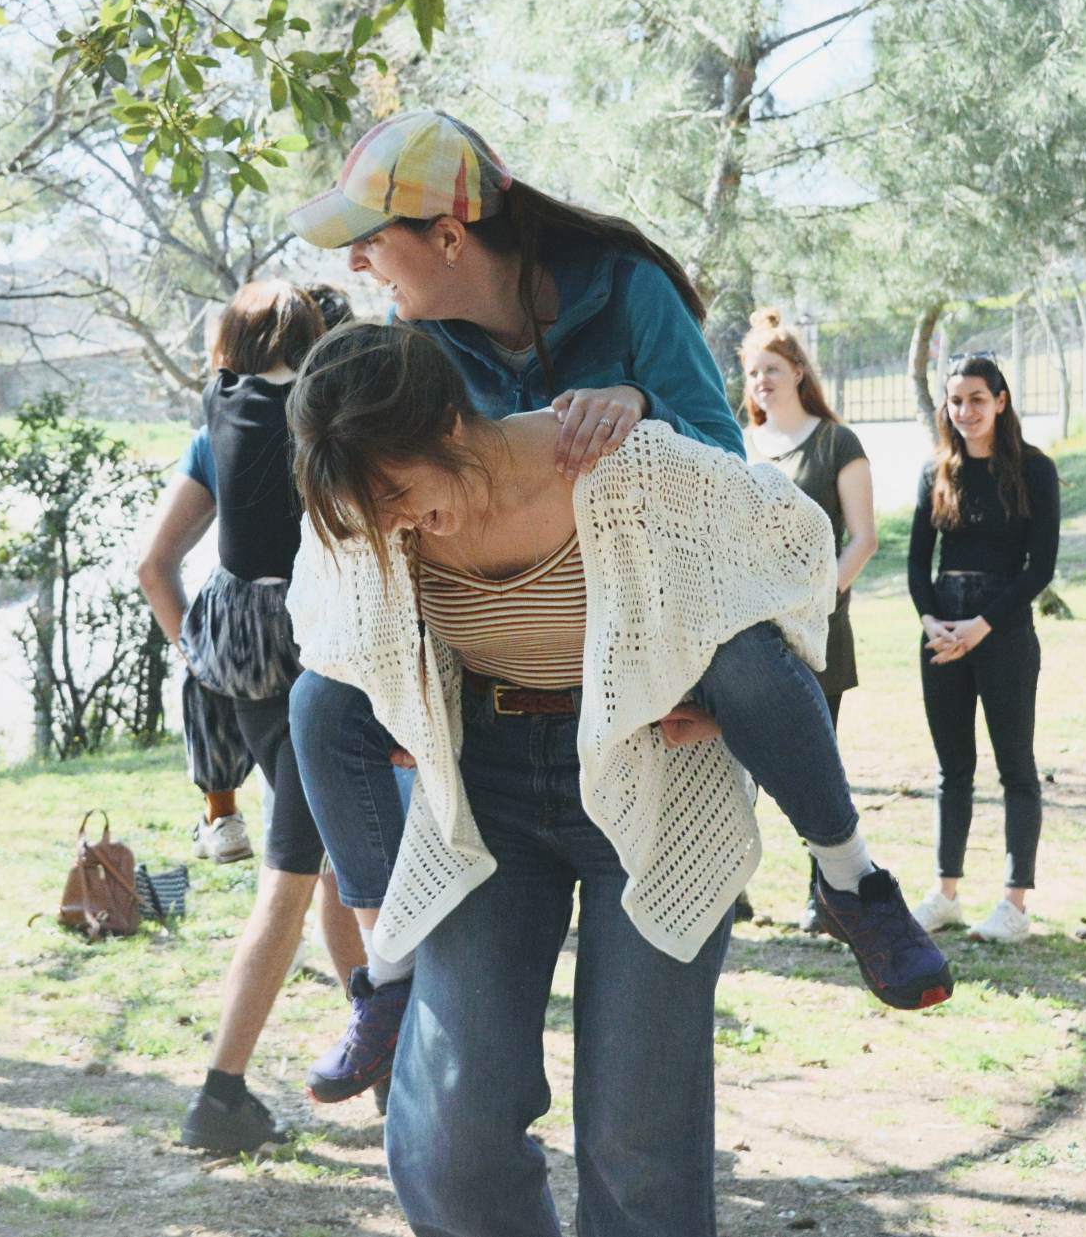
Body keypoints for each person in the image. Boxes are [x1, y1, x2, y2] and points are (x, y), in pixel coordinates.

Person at [285, 322, 952, 1237]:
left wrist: (742, 688)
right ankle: (386, 977)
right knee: (447, 1135)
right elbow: (329, 641)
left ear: (448, 422)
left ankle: (854, 884)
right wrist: (397, 701)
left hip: (654, 777)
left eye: (401, 491)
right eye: (374, 506)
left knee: (638, 1139)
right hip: (483, 801)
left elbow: (795, 543)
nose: (395, 520)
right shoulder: (374, 514)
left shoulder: (616, 461)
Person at [281, 110, 748, 1103]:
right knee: (318, 705)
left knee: (637, 1109)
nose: (362, 265)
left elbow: (730, 487)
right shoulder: (419, 348)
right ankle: (384, 971)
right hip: (493, 730)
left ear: (449, 238)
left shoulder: (629, 295)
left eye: (374, 238)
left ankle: (851, 879)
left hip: (637, 714)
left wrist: (637, 404)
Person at [134, 280, 374, 1153]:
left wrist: (203, 662)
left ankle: (380, 1062)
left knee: (333, 872)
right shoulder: (331, 432)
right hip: (318, 667)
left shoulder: (217, 421)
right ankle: (221, 1092)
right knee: (296, 876)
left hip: (245, 667)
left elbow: (152, 564)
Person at [906, 354, 1060, 943]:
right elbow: (919, 562)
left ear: (1001, 400)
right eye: (955, 400)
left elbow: (1038, 567)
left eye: (976, 398)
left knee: (1016, 767)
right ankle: (946, 893)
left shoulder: (1034, 471)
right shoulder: (935, 471)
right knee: (953, 770)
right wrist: (932, 622)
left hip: (1004, 633)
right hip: (943, 633)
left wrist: (982, 626)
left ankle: (1015, 905)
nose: (965, 411)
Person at [740, 308, 877, 932]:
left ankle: (826, 898)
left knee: (811, 765)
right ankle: (730, 891)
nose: (761, 380)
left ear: (798, 370)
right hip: (745, 632)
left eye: (772, 368)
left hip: (817, 634)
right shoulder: (738, 445)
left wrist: (815, 603)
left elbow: (863, 539)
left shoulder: (836, 443)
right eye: (751, 372)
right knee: (733, 771)